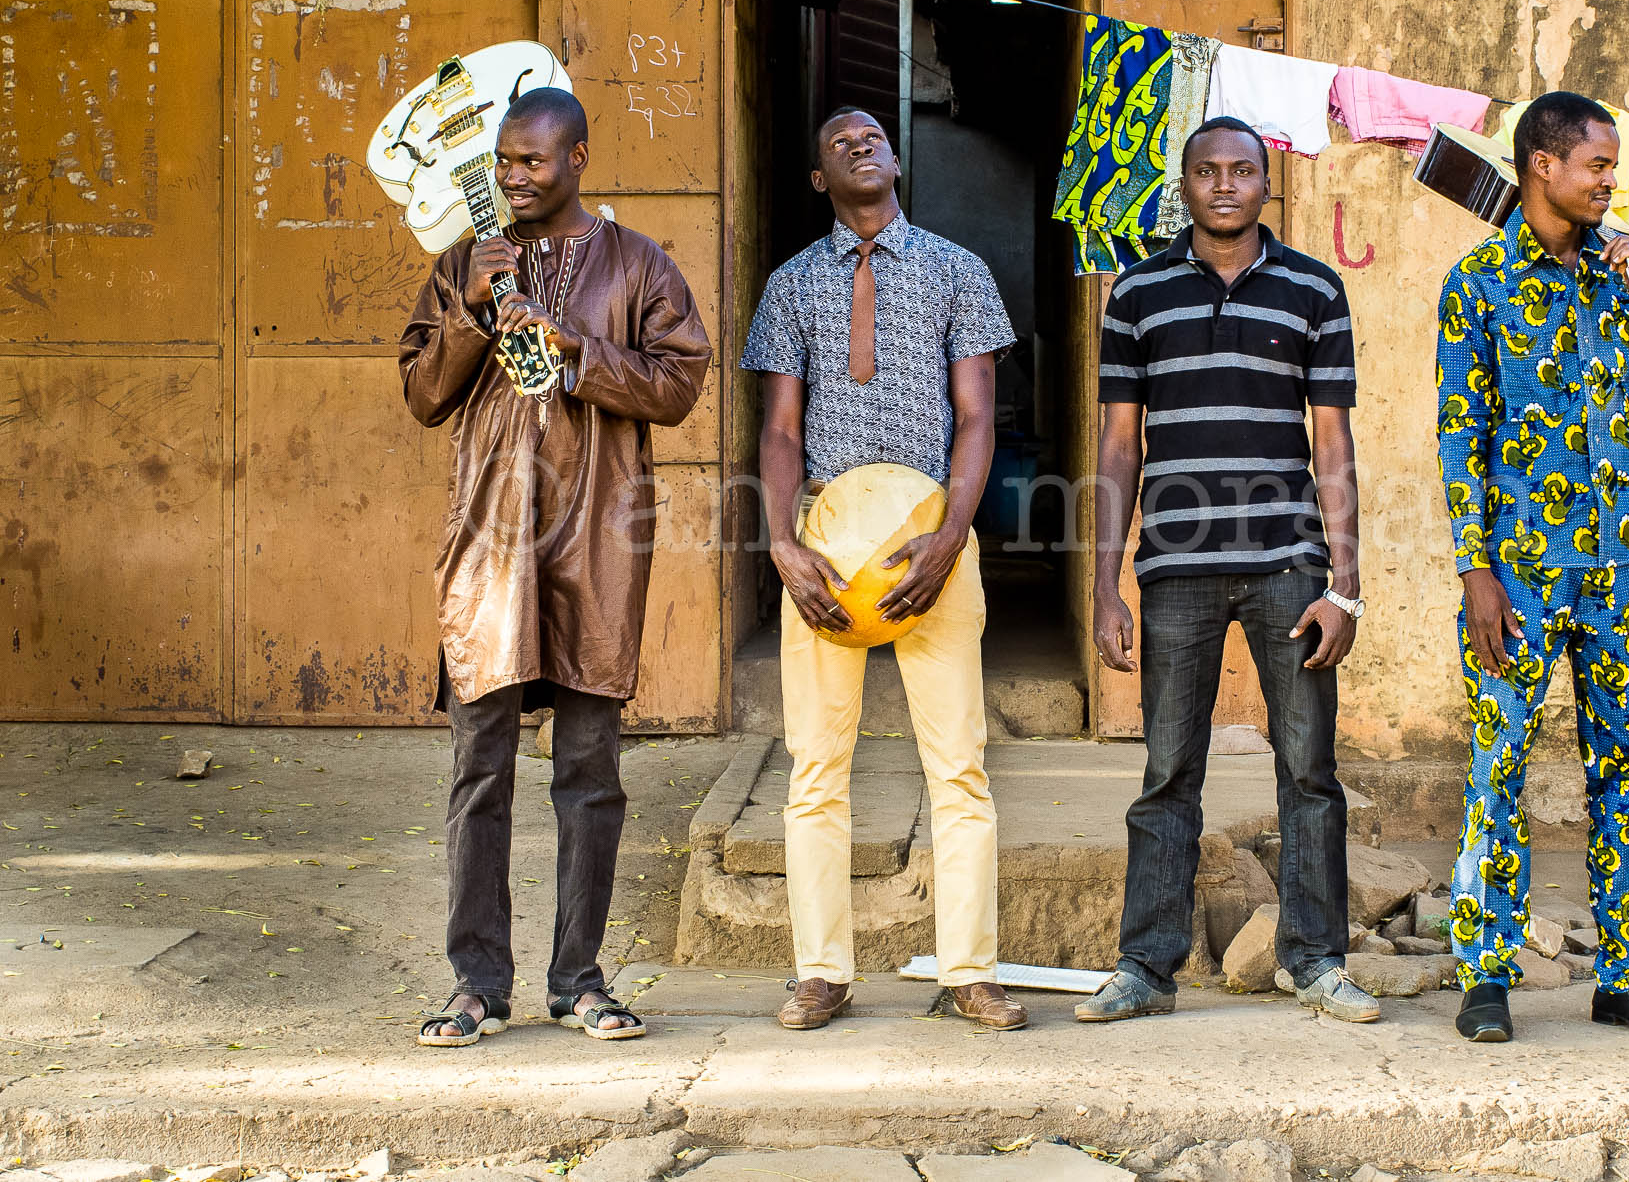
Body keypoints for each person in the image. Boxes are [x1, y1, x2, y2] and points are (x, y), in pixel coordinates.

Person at [398, 87, 712, 1047]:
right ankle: (474, 983)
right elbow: (422, 394)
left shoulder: (638, 264)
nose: (512, 178)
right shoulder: (465, 264)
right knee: (478, 763)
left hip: (595, 540)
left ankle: (580, 976)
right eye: (502, 162)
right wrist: (472, 309)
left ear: (578, 158)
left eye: (532, 162)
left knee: (588, 767)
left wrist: (580, 347)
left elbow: (678, 383)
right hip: (491, 542)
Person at [1077, 115, 1377, 1025]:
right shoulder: (1137, 294)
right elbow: (1119, 444)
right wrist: (1104, 580)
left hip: (1289, 565)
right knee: (1169, 769)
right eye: (1206, 171)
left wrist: (1345, 583)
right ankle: (1146, 966)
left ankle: (1316, 958)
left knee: (1309, 768)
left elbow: (1334, 445)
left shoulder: (1314, 291)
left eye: (1241, 170)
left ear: (1263, 184)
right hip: (1176, 566)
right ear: (1186, 184)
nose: (1223, 185)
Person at [742, 107, 1024, 1032]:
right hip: (823, 543)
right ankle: (821, 971)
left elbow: (977, 419)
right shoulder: (790, 286)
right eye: (837, 142)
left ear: (896, 157)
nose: (860, 144)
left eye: (873, 135)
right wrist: (783, 543)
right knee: (816, 766)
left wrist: (948, 538)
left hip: (929, 544)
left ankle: (969, 970)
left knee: (960, 763)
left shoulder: (959, 271)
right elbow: (781, 429)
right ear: (820, 179)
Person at [1435, 90, 1629, 1042]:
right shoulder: (1477, 285)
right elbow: (1459, 434)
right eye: (1597, 165)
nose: (1610, 182)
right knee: (1499, 765)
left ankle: (1624, 978)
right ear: (1542, 165)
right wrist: (1475, 575)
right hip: (1517, 573)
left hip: (1624, 568)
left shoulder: (1616, 274)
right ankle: (1486, 977)